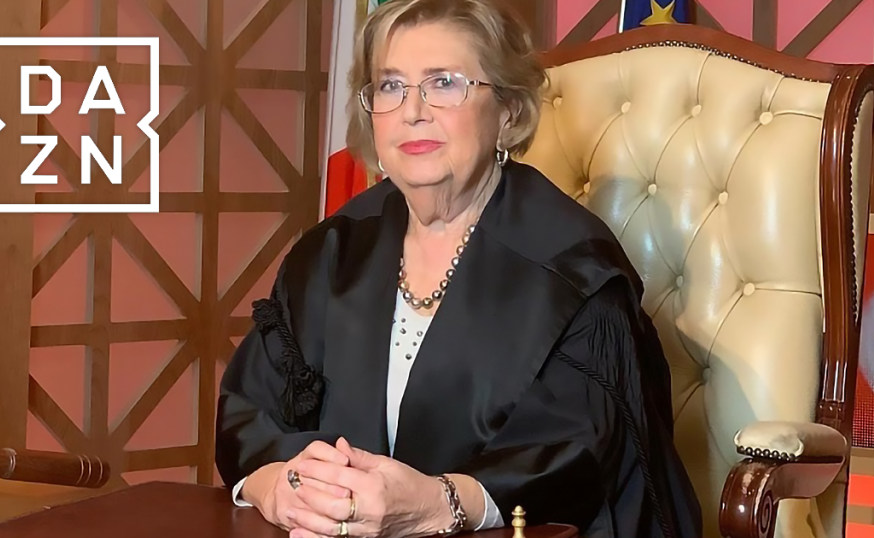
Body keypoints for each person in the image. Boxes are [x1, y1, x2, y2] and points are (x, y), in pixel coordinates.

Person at [215, 0, 702, 537]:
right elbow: (250, 409)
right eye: (390, 86)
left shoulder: (574, 270)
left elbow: (583, 456)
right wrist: (279, 483)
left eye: (444, 83)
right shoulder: (333, 251)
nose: (412, 111)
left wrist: (441, 502)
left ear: (508, 111)